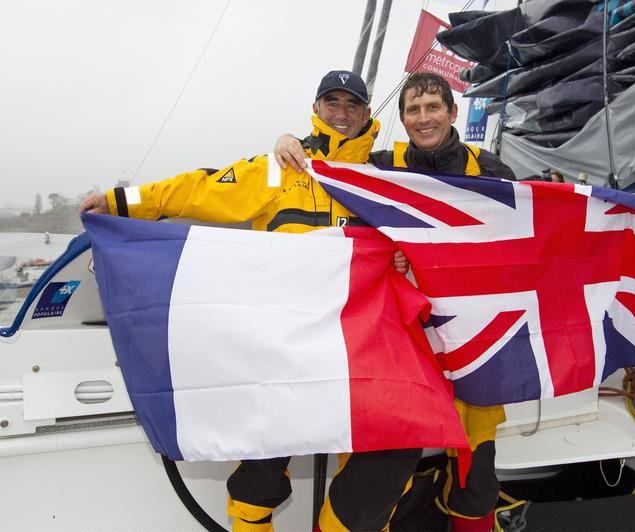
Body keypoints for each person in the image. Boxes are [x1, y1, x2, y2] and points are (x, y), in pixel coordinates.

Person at [80, 70, 422, 532]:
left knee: (391, 450)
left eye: (351, 105)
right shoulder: (281, 166)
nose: (341, 114)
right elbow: (198, 188)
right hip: (283, 342)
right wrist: (121, 202)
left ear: (366, 112)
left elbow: (440, 204)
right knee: (259, 468)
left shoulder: (384, 175)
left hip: (357, 344)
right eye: (332, 103)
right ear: (316, 109)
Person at [274, 71, 515, 532]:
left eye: (433, 107)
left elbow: (523, 243)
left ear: (452, 111)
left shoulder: (492, 172)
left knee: (476, 476)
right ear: (402, 119)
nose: (423, 118)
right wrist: (290, 140)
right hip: (401, 338)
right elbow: (329, 160)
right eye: (413, 110)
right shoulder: (380, 166)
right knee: (378, 470)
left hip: (472, 336)